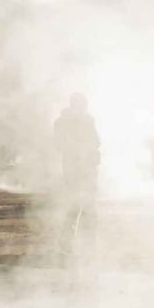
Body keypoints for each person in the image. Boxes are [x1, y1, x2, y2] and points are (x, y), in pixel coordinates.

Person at [53, 93, 100, 259]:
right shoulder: (62, 122)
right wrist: (75, 149)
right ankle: (65, 242)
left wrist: (89, 153)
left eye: (84, 105)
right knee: (74, 206)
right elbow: (58, 144)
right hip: (73, 170)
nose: (83, 108)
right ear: (73, 105)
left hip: (88, 169)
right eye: (80, 105)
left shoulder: (88, 120)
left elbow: (96, 141)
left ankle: (88, 246)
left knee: (90, 208)